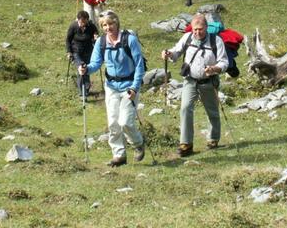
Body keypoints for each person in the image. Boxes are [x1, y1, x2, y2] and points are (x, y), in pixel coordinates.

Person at [79, 11, 145, 166]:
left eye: (111, 24)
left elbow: (139, 66)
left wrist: (135, 87)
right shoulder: (101, 42)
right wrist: (86, 69)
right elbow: (95, 64)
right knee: (113, 123)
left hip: (129, 86)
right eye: (104, 25)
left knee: (125, 122)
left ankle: (138, 144)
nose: (108, 27)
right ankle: (119, 155)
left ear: (117, 23)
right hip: (111, 87)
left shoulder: (130, 40)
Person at [161, 13, 228, 157]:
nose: (197, 32)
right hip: (190, 80)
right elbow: (177, 51)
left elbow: (224, 62)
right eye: (195, 29)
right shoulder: (187, 37)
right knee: (185, 108)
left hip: (208, 81)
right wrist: (168, 53)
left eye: (200, 29)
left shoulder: (216, 41)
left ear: (206, 28)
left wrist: (214, 69)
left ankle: (213, 138)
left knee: (212, 111)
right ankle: (186, 144)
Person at [65, 10, 99, 98]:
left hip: (88, 51)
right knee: (82, 67)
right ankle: (82, 93)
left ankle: (86, 90)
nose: (81, 24)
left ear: (87, 20)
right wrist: (69, 52)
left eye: (84, 22)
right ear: (78, 20)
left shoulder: (91, 26)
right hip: (76, 51)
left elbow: (95, 34)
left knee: (86, 70)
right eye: (80, 21)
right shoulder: (73, 26)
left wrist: (95, 37)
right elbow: (68, 40)